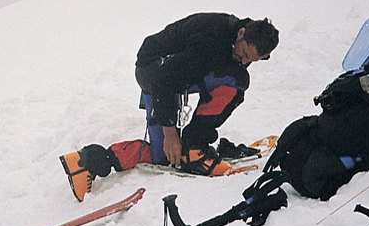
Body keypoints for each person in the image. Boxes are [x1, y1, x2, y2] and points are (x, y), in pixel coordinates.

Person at [59, 13, 279, 201]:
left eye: (252, 59)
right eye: (244, 54)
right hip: (155, 72)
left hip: (165, 75)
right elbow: (164, 82)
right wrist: (171, 134)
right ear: (241, 33)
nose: (243, 60)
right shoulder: (211, 40)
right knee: (237, 79)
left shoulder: (237, 39)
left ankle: (84, 161)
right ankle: (193, 149)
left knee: (163, 157)